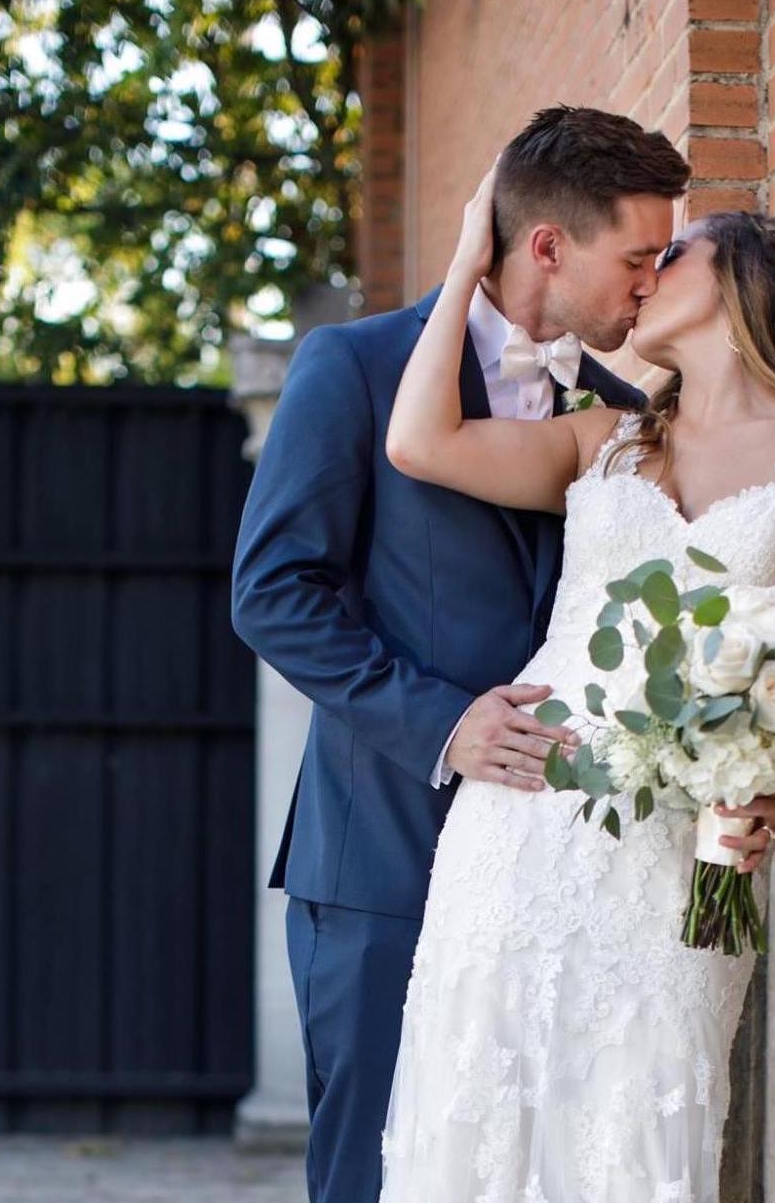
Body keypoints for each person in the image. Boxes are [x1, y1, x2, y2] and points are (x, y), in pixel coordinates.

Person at [378, 163, 775, 1201]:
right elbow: (418, 443)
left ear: (740, 280)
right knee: (482, 1100)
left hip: (684, 845)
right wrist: (469, 257)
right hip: (522, 814)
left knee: (642, 1108)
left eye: (674, 254)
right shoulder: (600, 441)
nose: (648, 274)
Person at [230, 106, 693, 1203]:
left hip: (561, 873)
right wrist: (444, 722)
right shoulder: (355, 366)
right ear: (549, 246)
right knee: (375, 1171)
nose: (650, 284)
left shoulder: (625, 415)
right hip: (385, 855)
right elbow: (272, 594)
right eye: (636, 257)